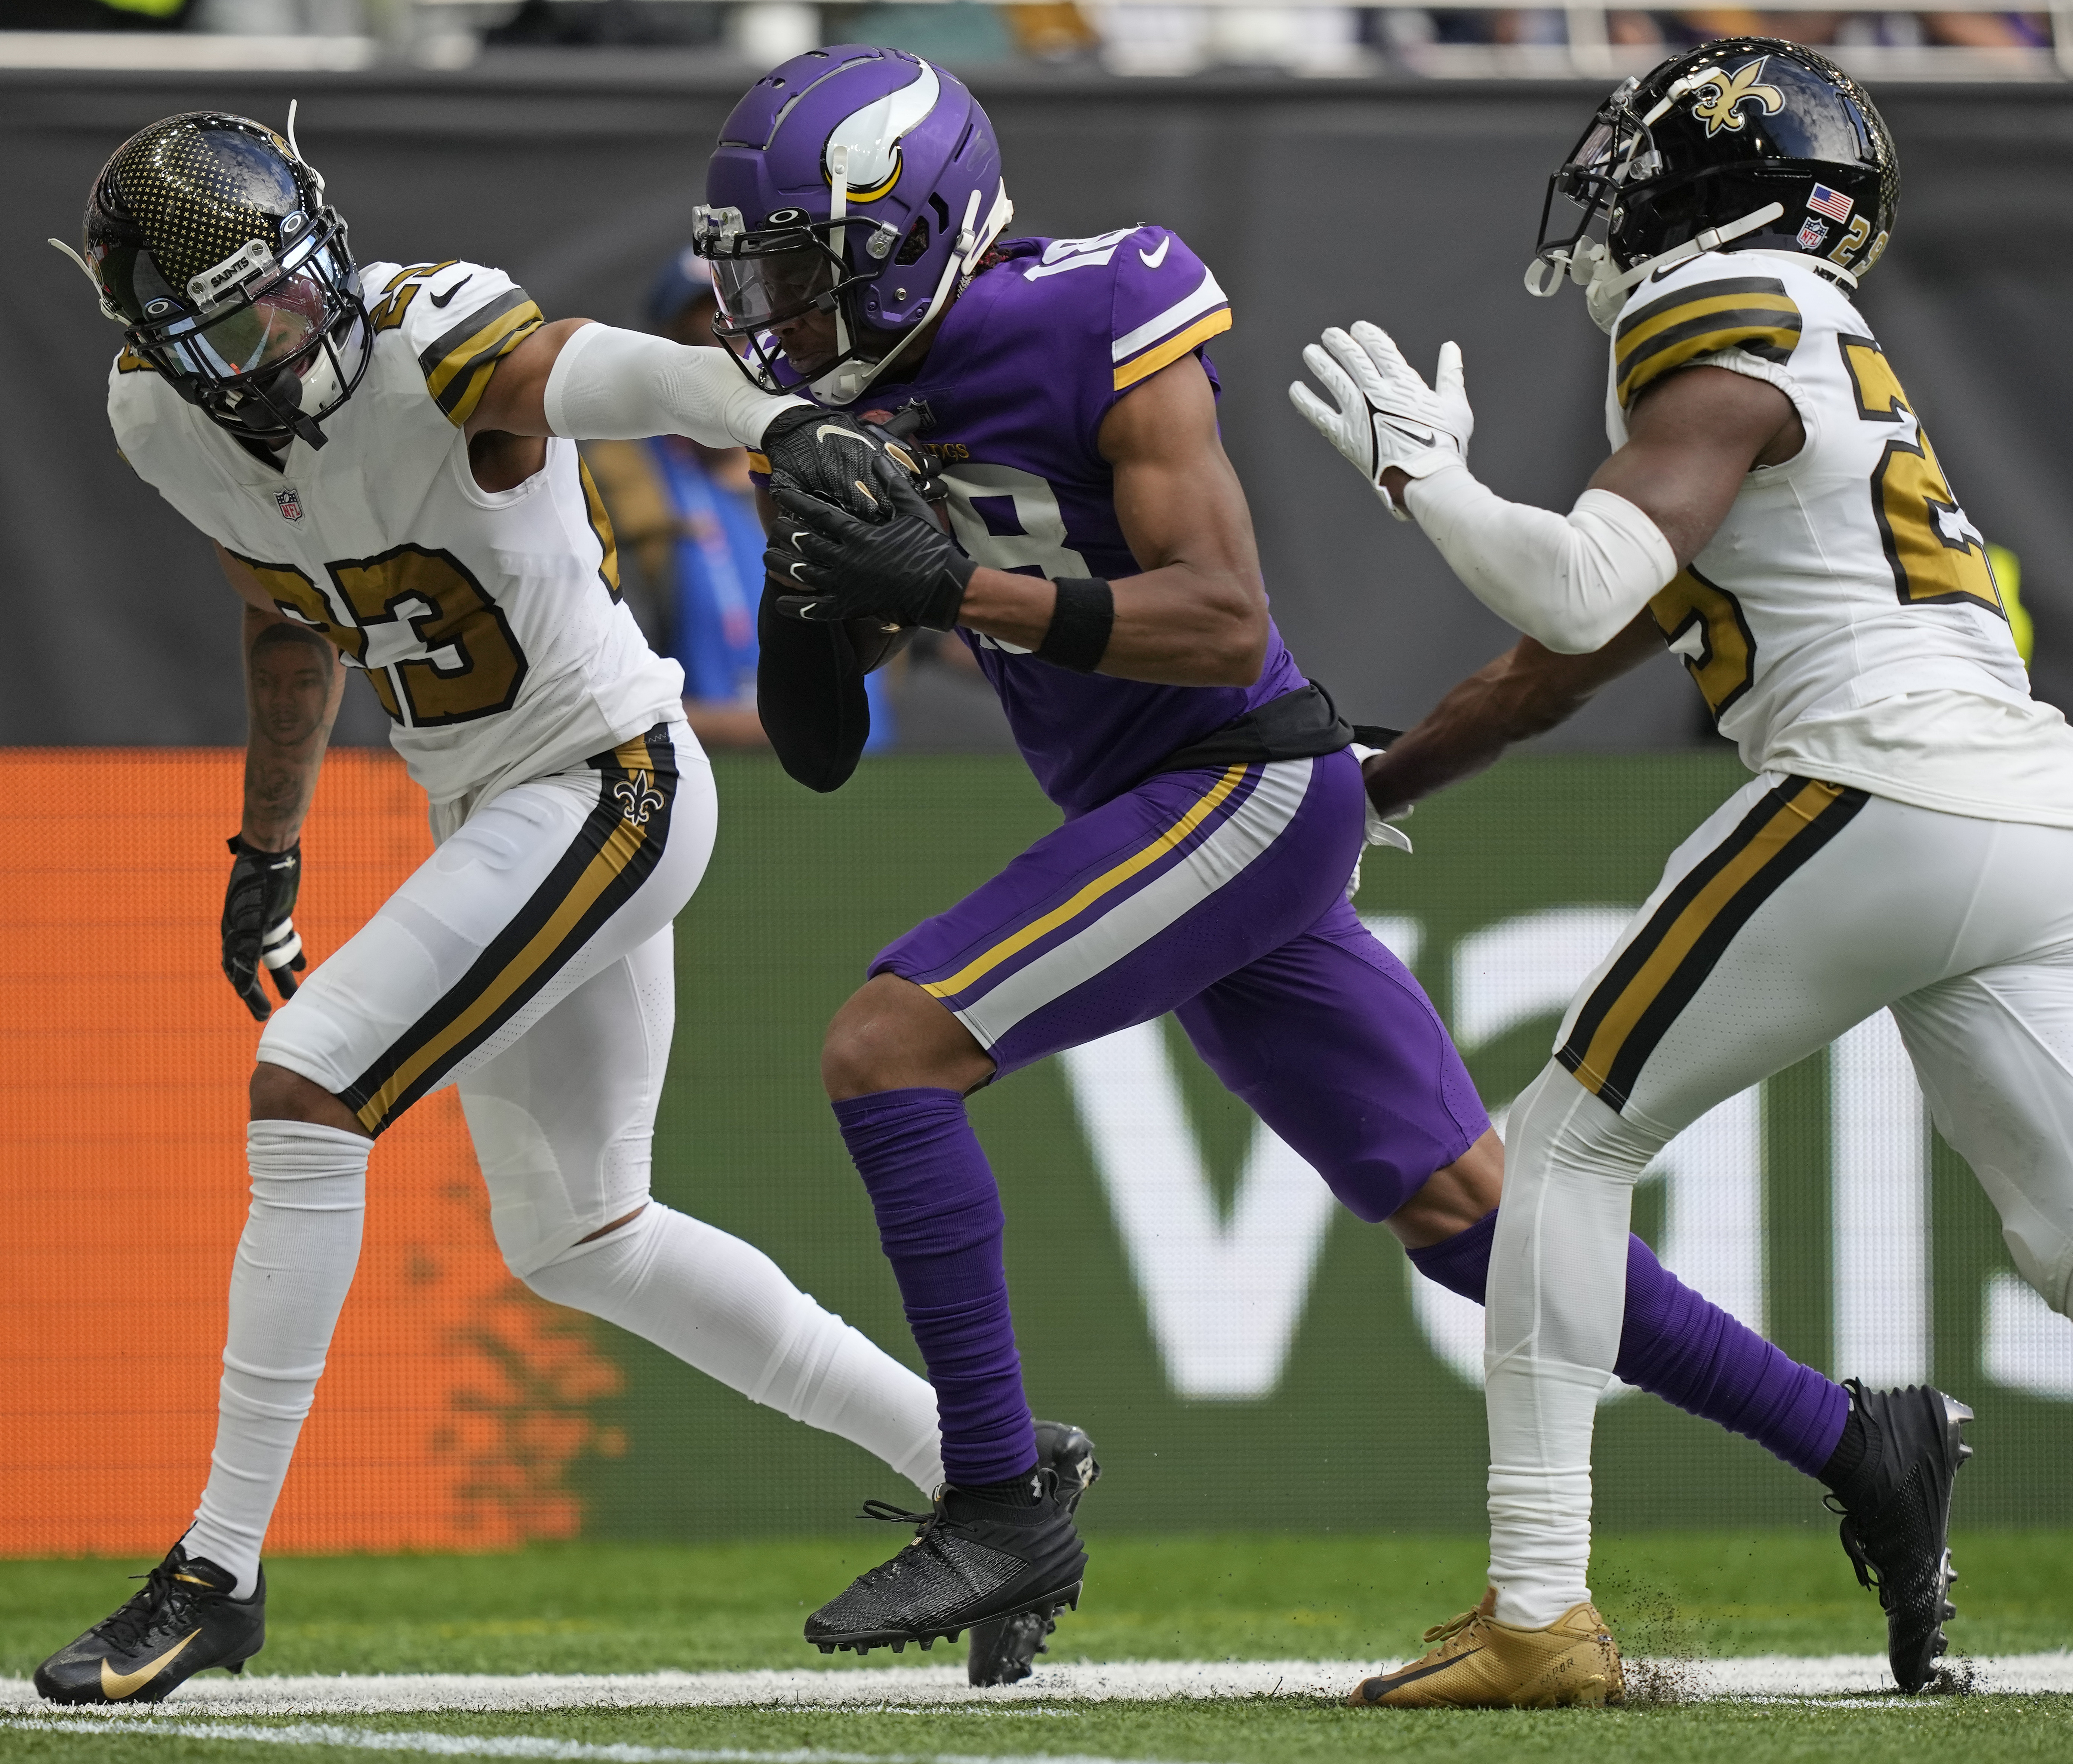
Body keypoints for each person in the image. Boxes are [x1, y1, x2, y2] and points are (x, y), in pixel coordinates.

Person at [695, 42, 1953, 1683]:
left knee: (888, 1049)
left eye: (802, 268)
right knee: (1461, 1218)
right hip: (1158, 810)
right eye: (763, 276)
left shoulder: (1099, 313)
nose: (779, 313)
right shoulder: (861, 394)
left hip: (1244, 781)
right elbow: (819, 746)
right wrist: (814, 576)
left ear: (913, 225)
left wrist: (949, 589)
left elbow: (1219, 626)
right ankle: (1864, 1445)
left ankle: (1001, 1493)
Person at [1292, 37, 2073, 1707]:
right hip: (2040, 806)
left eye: (1645, 157)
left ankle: (1541, 1614)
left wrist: (1426, 478)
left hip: (1884, 780)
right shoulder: (1812, 345)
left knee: (1559, 1146)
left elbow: (1572, 585)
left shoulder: (1715, 309)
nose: (1617, 190)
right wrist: (1379, 784)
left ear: (1725, 183)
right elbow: (1564, 663)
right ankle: (1540, 1616)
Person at [25, 109, 1081, 1705]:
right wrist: (270, 850)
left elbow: (618, 372)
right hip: (494, 799)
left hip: (611, 778)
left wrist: (770, 422)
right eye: (229, 323)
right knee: (585, 1237)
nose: (280, 336)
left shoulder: (430, 338)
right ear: (164, 347)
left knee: (311, 1088)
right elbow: (289, 624)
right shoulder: (162, 423)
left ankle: (216, 1573)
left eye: (286, 292)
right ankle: (994, 1464)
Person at [581, 249, 893, 755]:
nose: (730, 363)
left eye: (749, 338)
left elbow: (929, 622)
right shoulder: (629, 489)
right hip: (714, 784)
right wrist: (782, 728)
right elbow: (607, 695)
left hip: (877, 786)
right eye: (701, 345)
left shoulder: (843, 458)